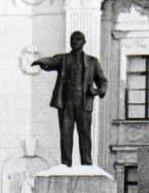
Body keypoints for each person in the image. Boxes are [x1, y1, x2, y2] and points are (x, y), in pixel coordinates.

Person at [31, 31, 108, 167]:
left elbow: (102, 80)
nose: (75, 41)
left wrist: (100, 89)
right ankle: (66, 164)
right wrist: (42, 61)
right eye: (72, 39)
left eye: (78, 39)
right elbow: (52, 61)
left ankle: (86, 164)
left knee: (85, 134)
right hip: (66, 103)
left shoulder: (92, 62)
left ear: (84, 42)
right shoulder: (63, 59)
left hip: (84, 102)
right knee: (66, 134)